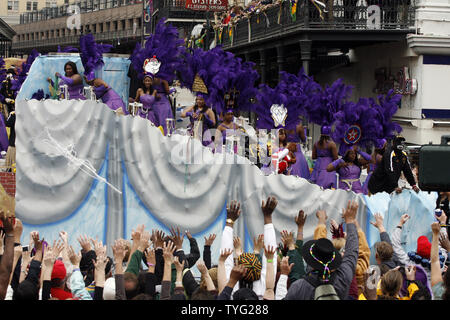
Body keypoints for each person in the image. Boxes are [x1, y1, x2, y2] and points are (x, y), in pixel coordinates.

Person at [285, 200, 359, 300]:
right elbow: (352, 253)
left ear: (310, 260)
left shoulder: (299, 287)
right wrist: (350, 221)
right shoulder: (343, 279)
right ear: (334, 259)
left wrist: (321, 221)